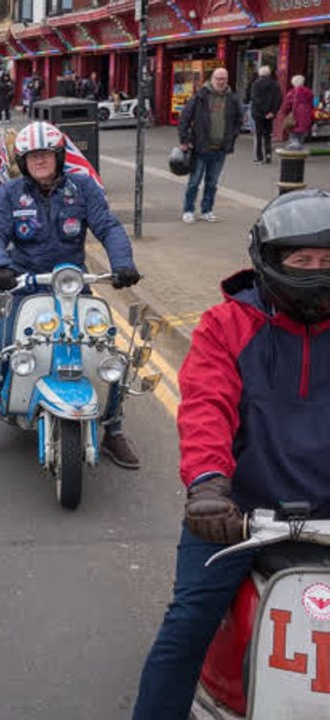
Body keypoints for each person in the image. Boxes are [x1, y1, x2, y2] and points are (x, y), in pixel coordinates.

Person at [131, 188, 330, 720]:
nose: (315, 272)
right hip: (240, 514)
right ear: (268, 262)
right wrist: (209, 485)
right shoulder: (227, 325)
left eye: (327, 261)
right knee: (187, 623)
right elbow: (205, 408)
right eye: (301, 260)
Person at [0, 120, 141, 466]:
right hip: (25, 287)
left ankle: (113, 430)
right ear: (23, 160)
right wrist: (0, 267)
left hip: (73, 286)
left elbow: (108, 225)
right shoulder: (11, 193)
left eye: (46, 154)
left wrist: (122, 263)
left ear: (60, 156)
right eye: (33, 156)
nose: (40, 161)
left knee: (110, 353)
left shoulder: (83, 188)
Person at [178, 67, 243, 224]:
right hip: (200, 147)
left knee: (212, 182)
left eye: (224, 79)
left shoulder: (232, 99)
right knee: (194, 182)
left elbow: (238, 120)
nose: (221, 82)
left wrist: (233, 136)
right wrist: (185, 140)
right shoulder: (200, 97)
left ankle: (207, 210)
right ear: (211, 79)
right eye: (218, 78)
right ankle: (188, 210)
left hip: (220, 148)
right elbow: (185, 118)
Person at [248, 65, 282, 163]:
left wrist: (263, 111)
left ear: (260, 73)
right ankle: (268, 156)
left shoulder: (256, 84)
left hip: (258, 114)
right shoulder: (275, 84)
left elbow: (255, 99)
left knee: (258, 135)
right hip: (270, 114)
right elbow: (278, 99)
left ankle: (259, 157)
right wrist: (272, 112)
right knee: (268, 135)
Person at [281, 74, 314, 150]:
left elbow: (286, 106)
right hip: (305, 118)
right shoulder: (309, 93)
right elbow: (311, 106)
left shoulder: (292, 93)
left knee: (293, 136)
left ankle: (294, 155)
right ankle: (300, 154)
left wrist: (285, 113)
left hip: (294, 118)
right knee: (301, 136)